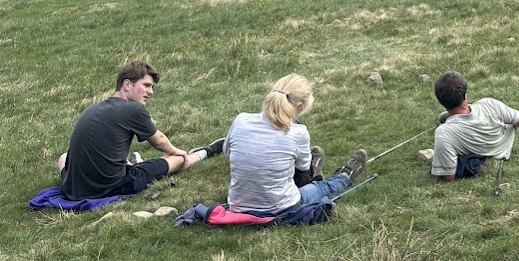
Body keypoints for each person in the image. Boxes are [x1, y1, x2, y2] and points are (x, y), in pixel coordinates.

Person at [59, 59, 223, 200]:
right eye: (146, 85)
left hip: (72, 189)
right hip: (110, 187)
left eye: (152, 87)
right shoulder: (133, 110)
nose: (150, 92)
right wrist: (177, 151)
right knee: (179, 160)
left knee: (63, 157)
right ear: (127, 84)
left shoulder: (94, 108)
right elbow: (159, 141)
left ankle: (130, 164)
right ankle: (204, 152)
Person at [223, 74, 368, 215]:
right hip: (281, 207)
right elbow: (302, 167)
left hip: (237, 205)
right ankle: (345, 175)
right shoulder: (298, 132)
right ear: (300, 105)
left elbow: (227, 152)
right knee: (324, 187)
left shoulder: (240, 120)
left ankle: (316, 172)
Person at [432, 71, 519, 182]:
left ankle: (449, 117)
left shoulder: (443, 133)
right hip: (503, 148)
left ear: (441, 102)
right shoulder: (489, 104)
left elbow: (449, 177)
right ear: (465, 95)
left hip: (481, 156)